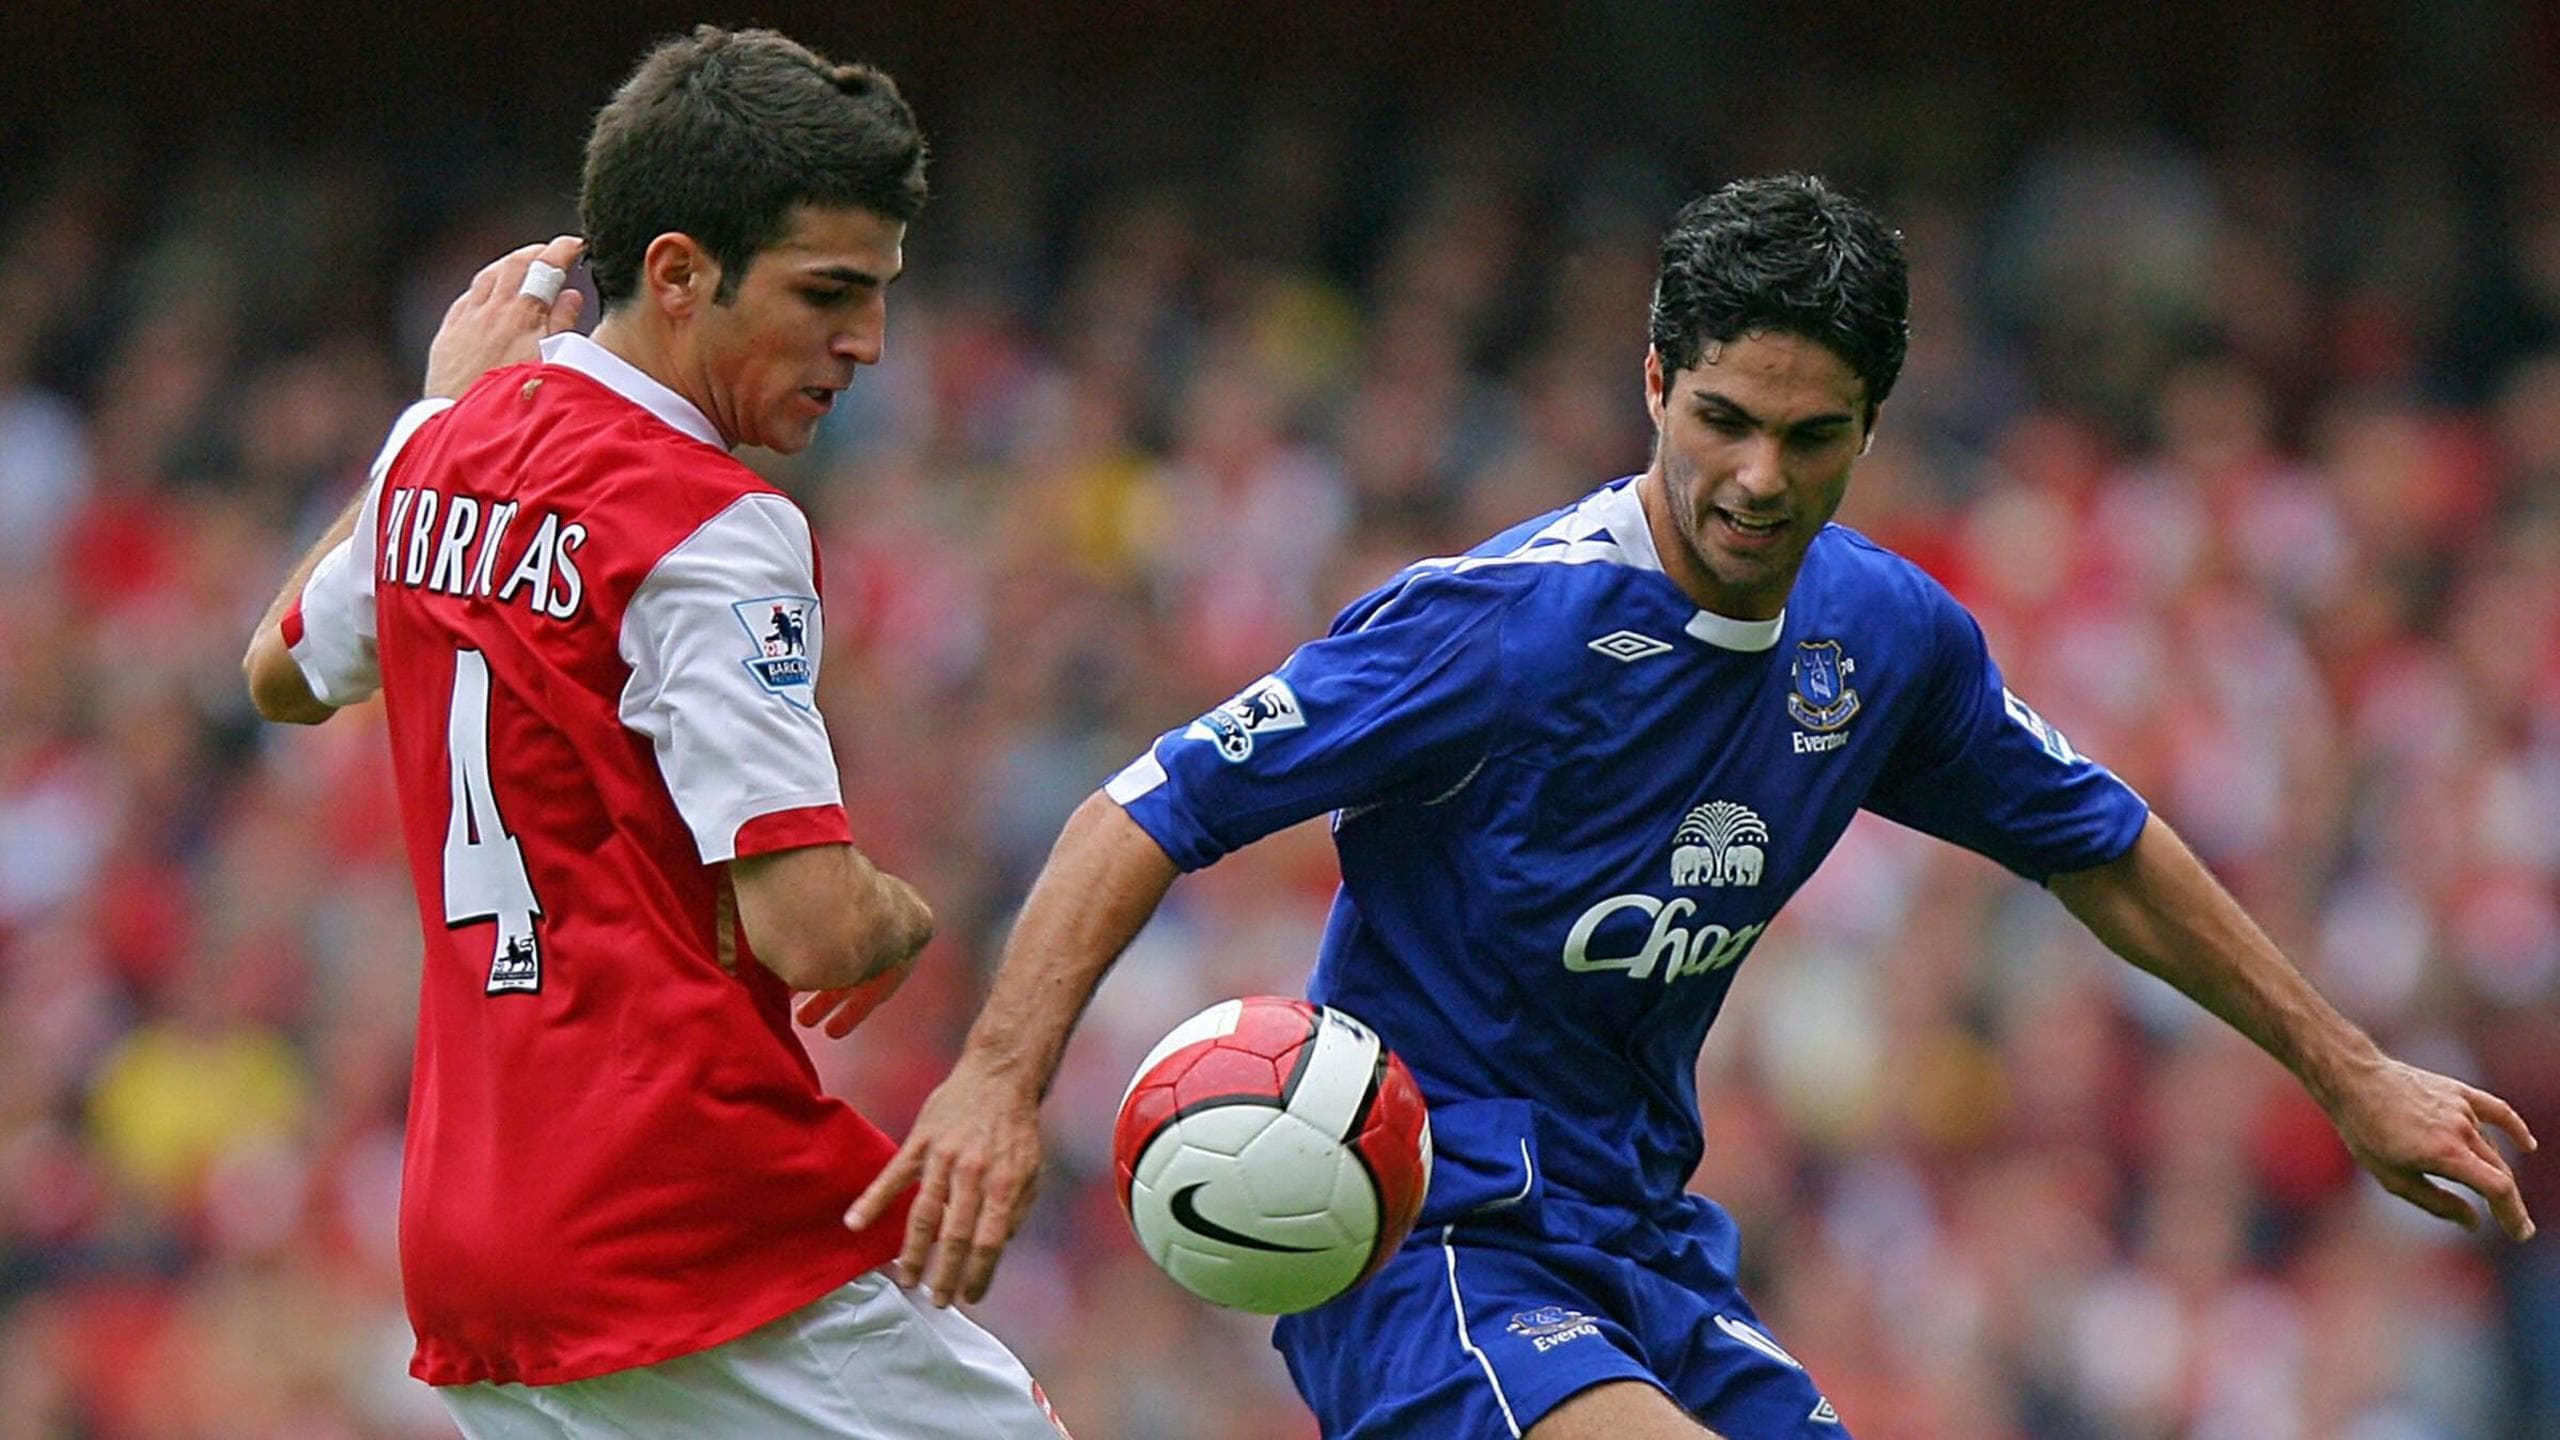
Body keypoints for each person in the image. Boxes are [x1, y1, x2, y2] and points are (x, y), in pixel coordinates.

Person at [847, 174, 2540, 1439]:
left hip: (1647, 1245)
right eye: (1723, 419)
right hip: (1429, 1234)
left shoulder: (1885, 639)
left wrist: (2356, 1072)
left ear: (1870, 427)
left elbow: (2094, 844)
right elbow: (1141, 808)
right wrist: (999, 1084)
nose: (1757, 477)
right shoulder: (1495, 629)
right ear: (1654, 382)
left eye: (1810, 438)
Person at [242, 27, 1071, 1440]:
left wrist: (434, 413)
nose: (864, 344)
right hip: (692, 1217)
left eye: (878, 299)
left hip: (480, 1245)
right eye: (827, 295)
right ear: (680, 273)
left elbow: (281, 669)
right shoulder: (709, 524)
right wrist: (894, 915)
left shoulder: (443, 448)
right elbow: (814, 930)